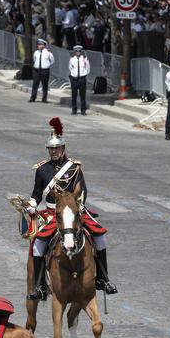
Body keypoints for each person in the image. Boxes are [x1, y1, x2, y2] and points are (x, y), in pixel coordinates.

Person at [26, 118, 117, 300]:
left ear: (63, 148)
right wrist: (32, 205)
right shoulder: (42, 170)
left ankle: (103, 279)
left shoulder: (75, 168)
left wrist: (77, 207)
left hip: (75, 211)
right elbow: (37, 193)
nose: (53, 152)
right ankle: (40, 286)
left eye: (56, 148)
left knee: (100, 236)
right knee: (38, 245)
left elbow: (83, 191)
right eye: (50, 149)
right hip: (53, 213)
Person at [30, 38, 55, 103]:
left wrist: (47, 65)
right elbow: (34, 59)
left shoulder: (48, 53)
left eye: (40, 45)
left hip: (45, 71)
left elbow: (52, 61)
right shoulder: (36, 52)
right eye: (38, 45)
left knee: (45, 85)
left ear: (44, 45)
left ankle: (44, 99)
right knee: (35, 84)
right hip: (36, 70)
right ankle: (33, 98)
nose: (38, 46)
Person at [68, 45, 90, 114]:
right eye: (76, 51)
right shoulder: (72, 59)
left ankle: (83, 110)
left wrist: (84, 74)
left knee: (83, 95)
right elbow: (70, 68)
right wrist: (73, 74)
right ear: (74, 52)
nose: (78, 52)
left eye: (79, 51)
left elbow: (88, 68)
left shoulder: (84, 59)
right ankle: (74, 110)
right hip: (74, 79)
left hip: (82, 79)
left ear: (81, 52)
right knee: (74, 95)